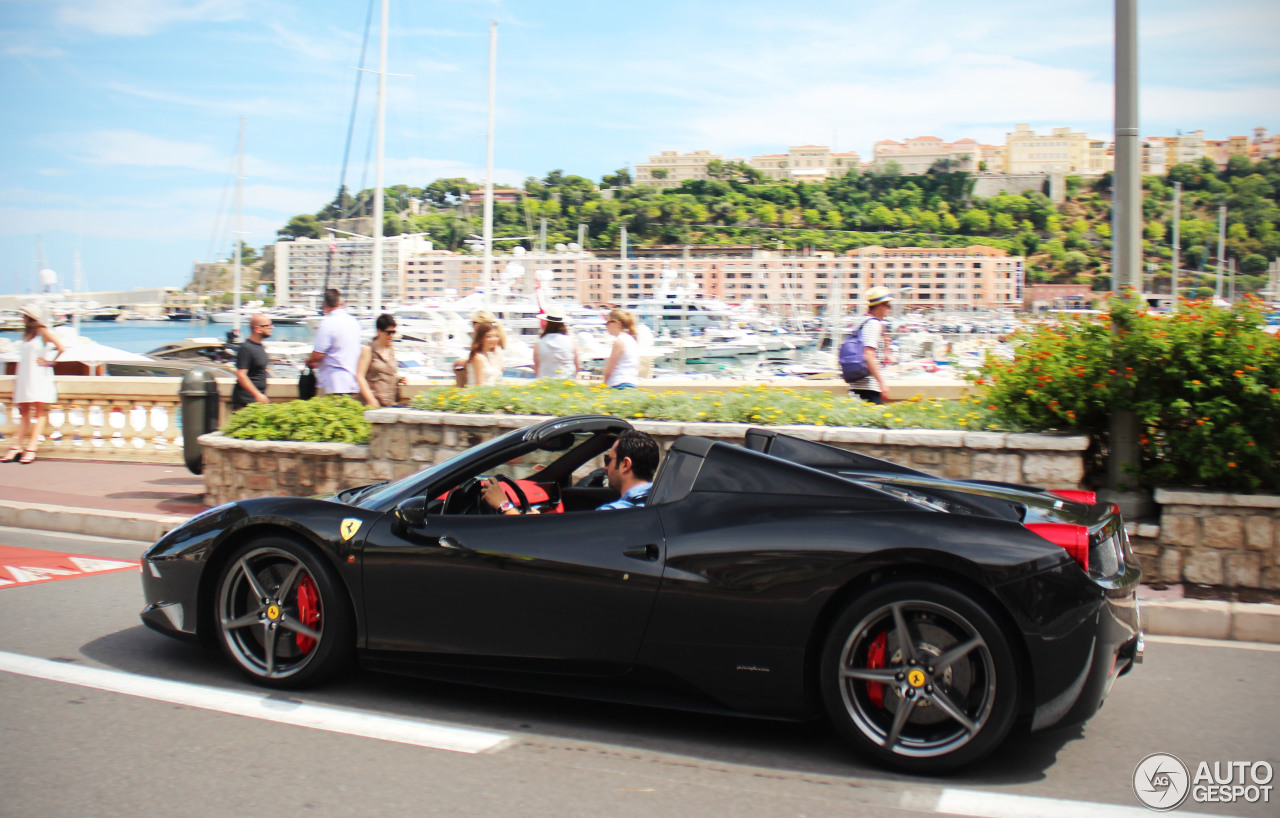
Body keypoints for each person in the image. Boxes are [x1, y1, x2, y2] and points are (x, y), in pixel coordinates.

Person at [482, 430, 660, 515]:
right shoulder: (659, 500)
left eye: (608, 460)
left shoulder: (614, 514)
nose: (605, 468)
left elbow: (554, 537)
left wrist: (503, 505)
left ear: (626, 464)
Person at [4, 304, 66, 464]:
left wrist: (49, 362)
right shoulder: (26, 335)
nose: (22, 318)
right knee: (24, 412)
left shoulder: (42, 331)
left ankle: (31, 448)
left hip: (39, 375)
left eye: (24, 316)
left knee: (39, 413)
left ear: (30, 317)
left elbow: (61, 348)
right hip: (24, 376)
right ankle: (17, 446)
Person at [306, 288, 362, 397]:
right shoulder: (353, 321)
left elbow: (318, 355)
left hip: (335, 382)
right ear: (342, 303)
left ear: (324, 305)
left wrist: (309, 360)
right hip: (352, 380)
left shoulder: (328, 323)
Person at [845, 286, 894, 404]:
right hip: (869, 386)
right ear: (880, 305)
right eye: (888, 306)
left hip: (859, 383)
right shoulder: (873, 324)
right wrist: (881, 383)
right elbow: (868, 354)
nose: (889, 310)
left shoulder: (862, 321)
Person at [357, 313, 406, 407]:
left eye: (393, 332)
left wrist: (398, 378)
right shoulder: (368, 350)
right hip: (373, 403)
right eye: (388, 332)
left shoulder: (391, 349)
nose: (391, 335)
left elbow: (389, 371)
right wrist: (371, 400)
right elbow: (360, 376)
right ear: (379, 331)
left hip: (389, 403)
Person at [230, 314, 274, 412]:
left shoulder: (259, 346)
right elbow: (241, 375)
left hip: (256, 400)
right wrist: (257, 394)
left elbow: (261, 370)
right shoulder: (246, 348)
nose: (272, 327)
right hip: (246, 401)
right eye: (268, 325)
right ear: (257, 329)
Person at [453, 309, 507, 385]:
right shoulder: (493, 348)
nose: (473, 326)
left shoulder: (492, 348)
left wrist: (465, 362)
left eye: (474, 323)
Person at [533, 308, 578, 379]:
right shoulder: (571, 342)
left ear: (547, 323)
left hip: (545, 382)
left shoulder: (539, 343)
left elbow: (536, 367)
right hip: (567, 382)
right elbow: (577, 365)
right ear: (563, 323)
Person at [602, 308, 640, 389]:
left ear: (617, 324)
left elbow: (609, 369)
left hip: (619, 384)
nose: (606, 326)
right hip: (631, 382)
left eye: (608, 322)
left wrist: (604, 384)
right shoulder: (631, 339)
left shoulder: (619, 341)